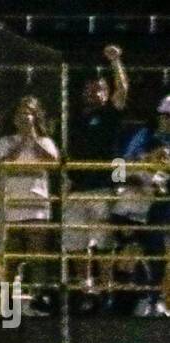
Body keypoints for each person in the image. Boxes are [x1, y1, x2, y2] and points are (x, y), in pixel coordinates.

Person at [64, 48, 129, 304]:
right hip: (77, 187)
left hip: (102, 187)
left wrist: (115, 61)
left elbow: (122, 90)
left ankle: (105, 285)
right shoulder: (74, 119)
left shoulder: (110, 115)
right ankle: (84, 285)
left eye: (100, 89)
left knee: (103, 239)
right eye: (91, 89)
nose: (95, 93)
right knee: (75, 239)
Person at [0, 96, 60, 314]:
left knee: (36, 255)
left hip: (36, 205)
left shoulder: (46, 142)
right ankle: (7, 302)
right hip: (10, 205)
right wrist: (21, 143)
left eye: (29, 112)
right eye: (21, 113)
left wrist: (33, 139)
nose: (25, 117)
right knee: (10, 257)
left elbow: (53, 162)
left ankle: (37, 299)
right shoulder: (5, 142)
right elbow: (1, 165)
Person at [117, 97, 170, 316]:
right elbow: (118, 171)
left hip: (164, 203)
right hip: (142, 207)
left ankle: (161, 300)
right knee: (143, 253)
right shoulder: (144, 137)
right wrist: (150, 159)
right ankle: (146, 299)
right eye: (166, 116)